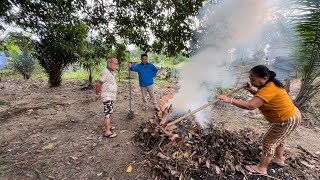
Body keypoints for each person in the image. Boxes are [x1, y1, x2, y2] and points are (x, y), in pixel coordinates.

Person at [218, 65, 301, 175]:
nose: (251, 81)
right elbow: (261, 97)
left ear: (264, 78)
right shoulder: (269, 84)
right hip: (288, 116)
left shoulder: (269, 88)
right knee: (280, 138)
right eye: (250, 78)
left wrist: (230, 100)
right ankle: (279, 159)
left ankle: (262, 168)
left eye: (253, 79)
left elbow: (250, 105)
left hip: (286, 119)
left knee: (268, 142)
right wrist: (250, 89)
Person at [95, 56, 119, 138]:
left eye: (117, 64)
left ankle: (107, 127)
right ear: (109, 63)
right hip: (107, 96)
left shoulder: (111, 72)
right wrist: (97, 93)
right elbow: (98, 83)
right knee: (108, 113)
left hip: (110, 96)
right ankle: (107, 132)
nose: (116, 65)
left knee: (109, 112)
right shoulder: (105, 72)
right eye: (115, 64)